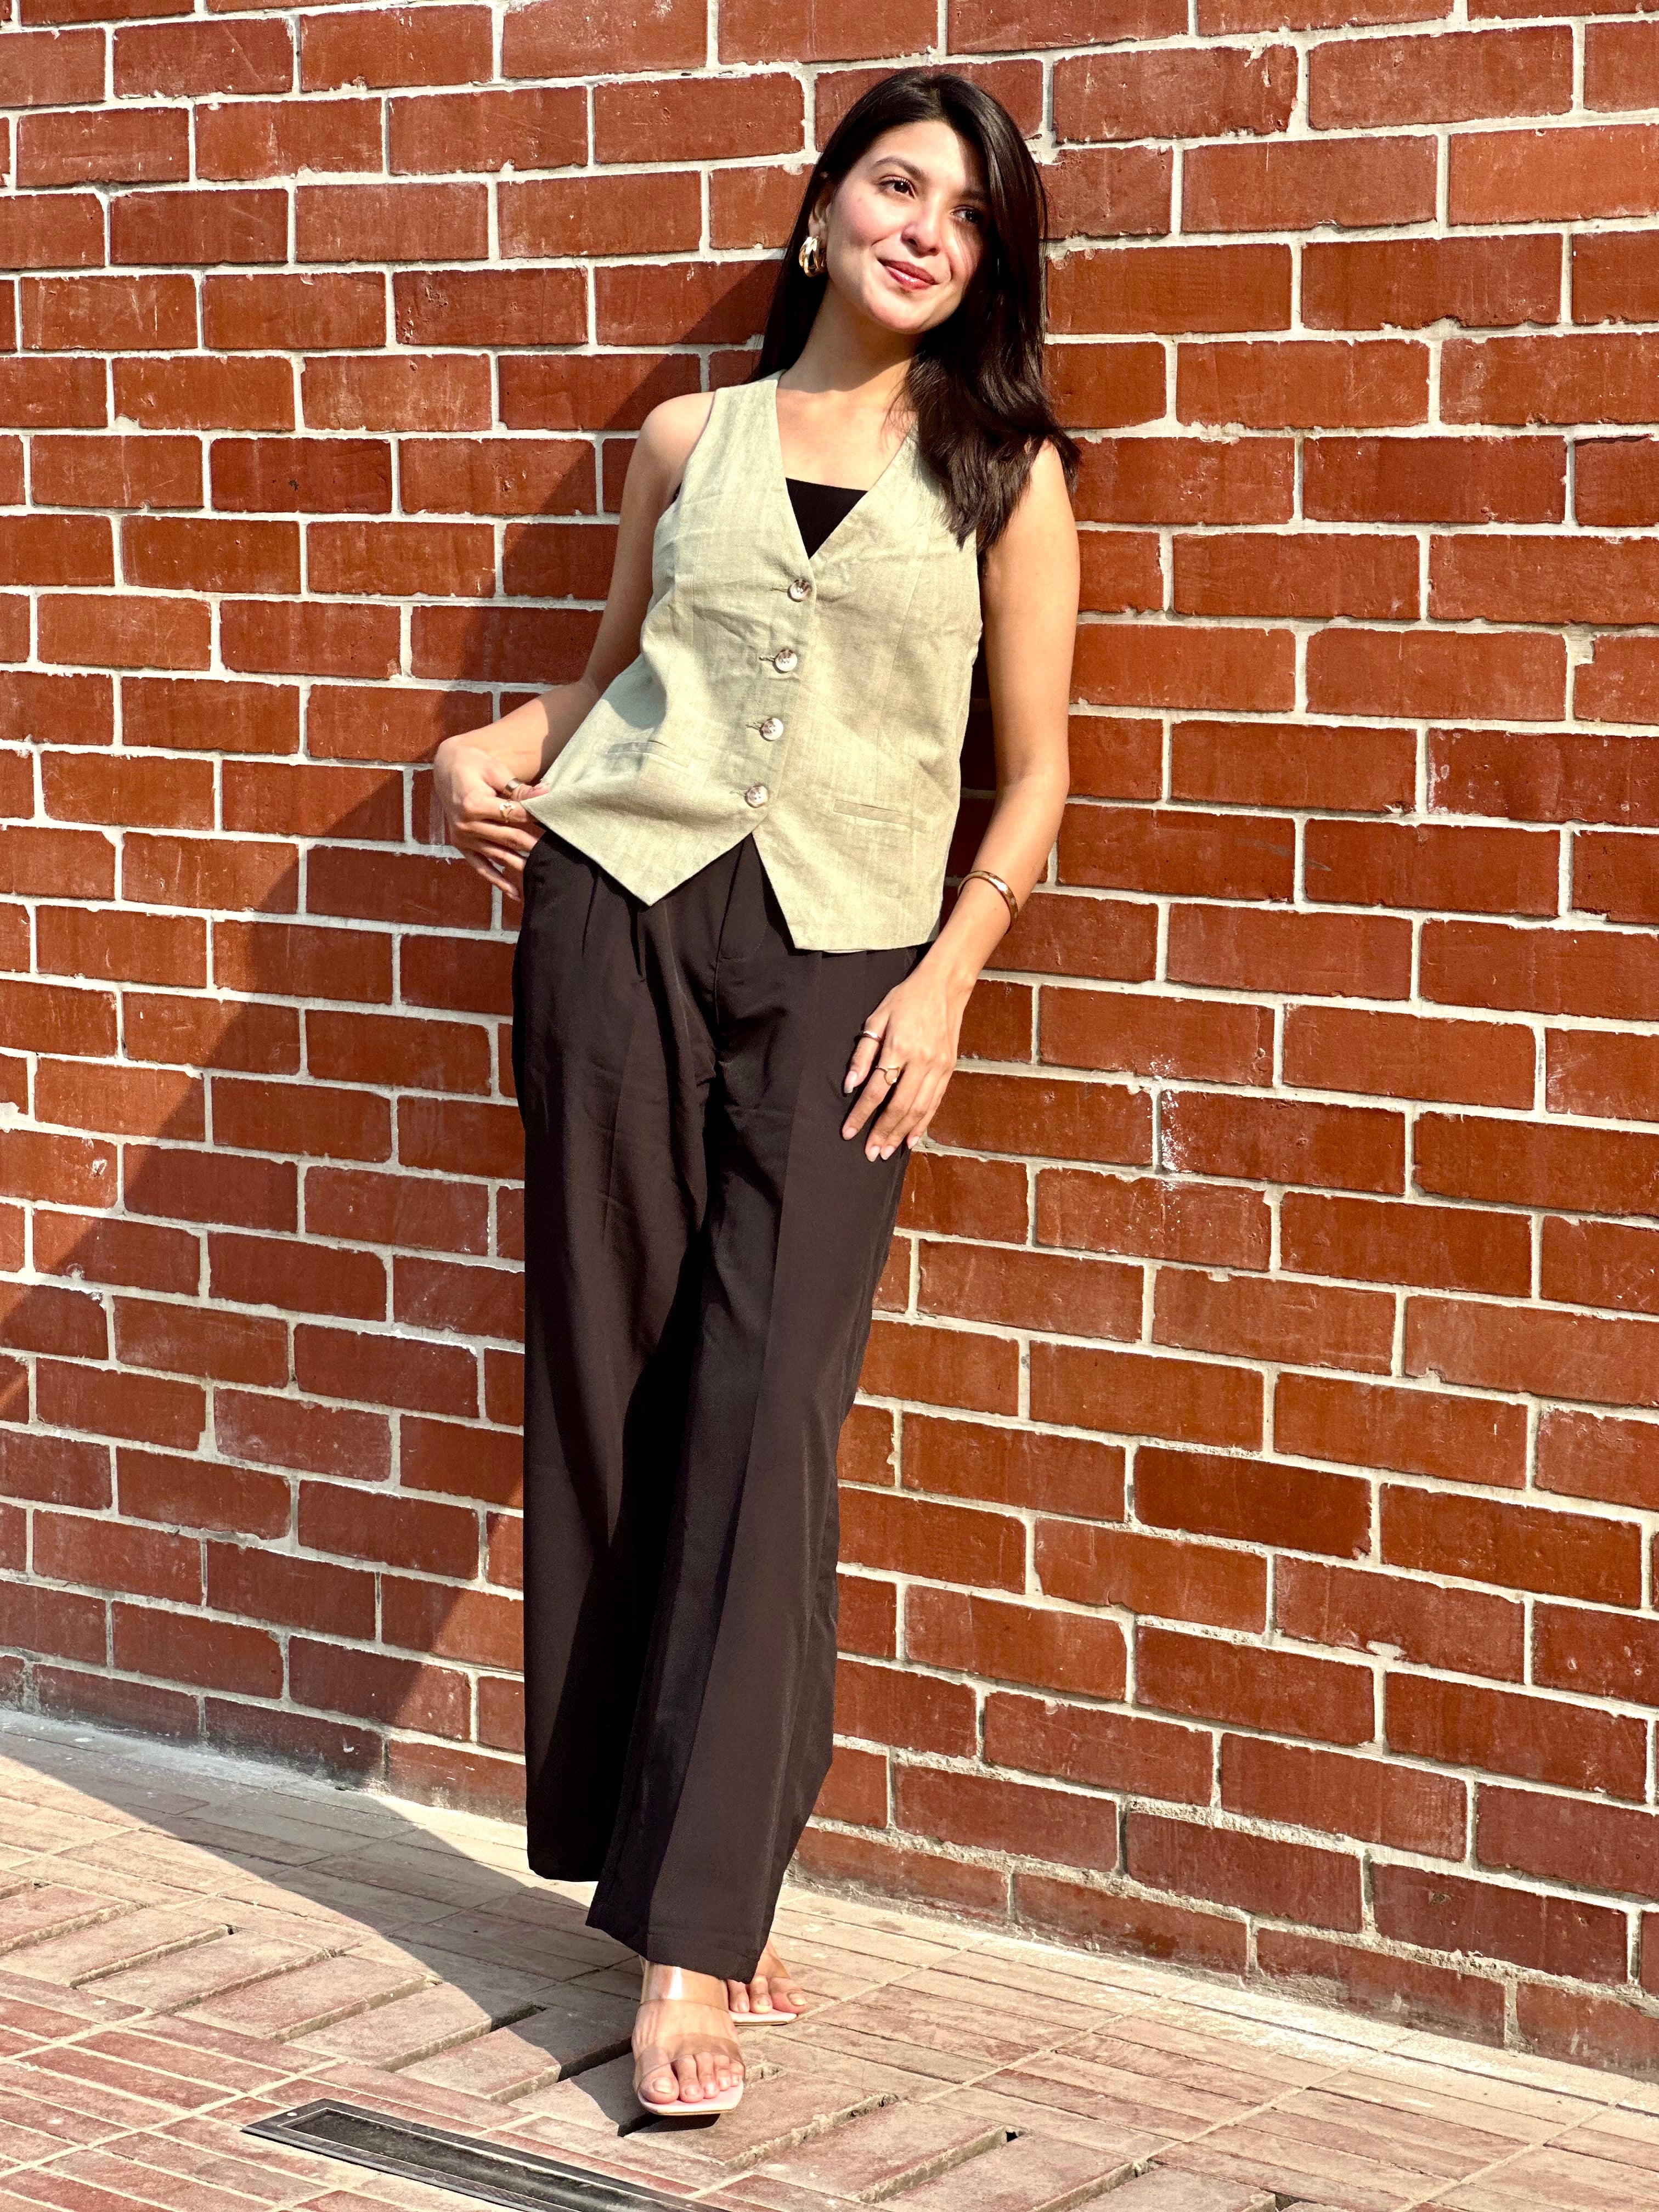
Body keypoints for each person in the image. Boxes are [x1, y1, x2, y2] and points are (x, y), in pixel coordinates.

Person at [432, 65, 1080, 2119]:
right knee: (611, 1390)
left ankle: (701, 1910)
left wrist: (951, 978)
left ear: (985, 268)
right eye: (897, 185)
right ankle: (683, 1877)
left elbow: (1037, 774)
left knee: (766, 1413)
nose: (925, 229)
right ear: (820, 215)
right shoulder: (684, 443)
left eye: (966, 216)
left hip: (849, 965)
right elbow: (615, 675)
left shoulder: (1004, 478)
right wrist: (472, 755)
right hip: (617, 919)